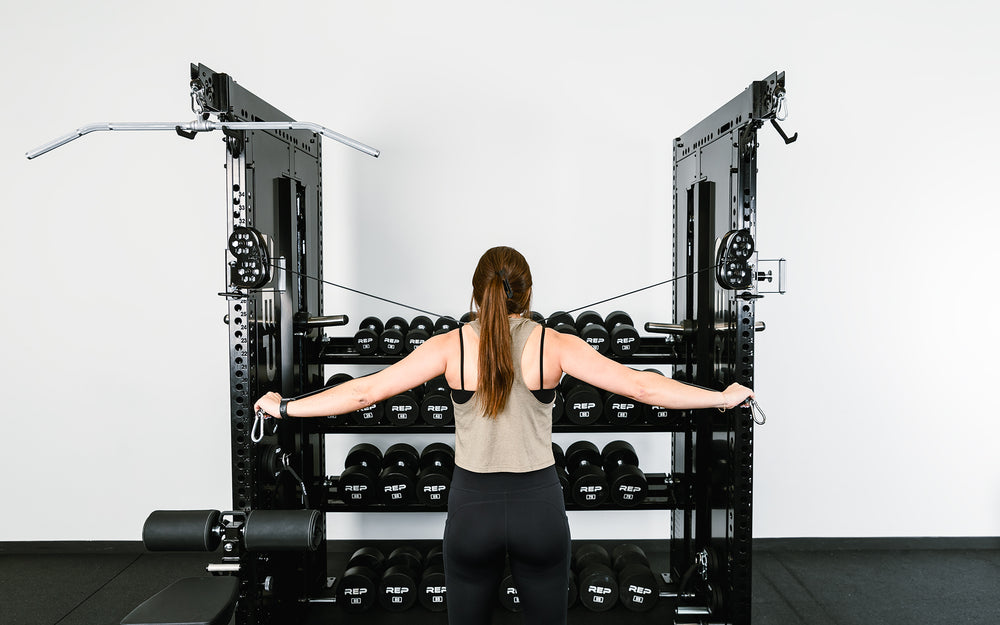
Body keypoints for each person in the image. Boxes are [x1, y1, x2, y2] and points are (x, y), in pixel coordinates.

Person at [254, 245, 754, 625]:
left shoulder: (448, 347)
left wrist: (287, 407)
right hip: (539, 506)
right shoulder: (556, 345)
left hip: (473, 509)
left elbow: (365, 393)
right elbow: (644, 388)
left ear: (476, 294)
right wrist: (722, 396)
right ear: (529, 294)